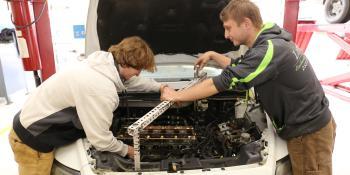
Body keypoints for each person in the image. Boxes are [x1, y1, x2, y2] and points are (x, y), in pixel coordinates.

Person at [161, 0, 336, 175]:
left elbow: (225, 80)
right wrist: (214, 55)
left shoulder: (267, 51)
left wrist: (177, 95)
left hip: (308, 134)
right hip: (309, 126)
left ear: (246, 23)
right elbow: (238, 66)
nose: (226, 35)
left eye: (228, 28)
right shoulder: (269, 44)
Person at [9, 36, 169, 175]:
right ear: (125, 63)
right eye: (138, 69)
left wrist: (161, 87)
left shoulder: (103, 63)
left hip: (35, 122)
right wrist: (128, 150)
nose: (139, 73)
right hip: (32, 139)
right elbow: (100, 140)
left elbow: (132, 81)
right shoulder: (100, 88)